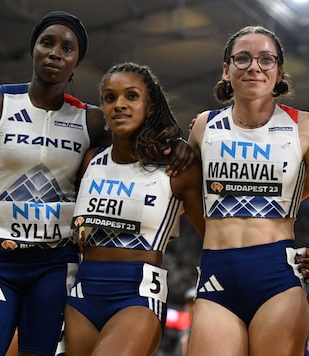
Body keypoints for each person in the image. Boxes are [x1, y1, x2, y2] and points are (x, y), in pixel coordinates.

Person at [0, 11, 192, 355]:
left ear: (76, 61)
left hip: (57, 266)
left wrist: (175, 143)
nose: (55, 53)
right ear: (33, 50)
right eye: (47, 43)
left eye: (67, 48)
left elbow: (138, 133)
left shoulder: (92, 119)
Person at [187, 25, 309, 356]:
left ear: (279, 70)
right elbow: (179, 198)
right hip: (216, 273)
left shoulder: (304, 126)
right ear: (226, 69)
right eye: (243, 59)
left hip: (277, 277)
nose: (254, 67)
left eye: (266, 59)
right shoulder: (203, 127)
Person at [63, 62, 204, 356]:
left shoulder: (176, 168)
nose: (120, 105)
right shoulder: (91, 161)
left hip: (137, 296)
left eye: (131, 96)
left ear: (150, 107)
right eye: (110, 98)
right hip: (83, 291)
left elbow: (215, 234)